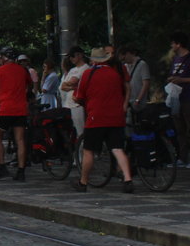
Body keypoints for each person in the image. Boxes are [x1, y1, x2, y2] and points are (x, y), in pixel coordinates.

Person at [72, 47, 135, 193]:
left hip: (96, 117)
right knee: (118, 149)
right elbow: (124, 90)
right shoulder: (115, 74)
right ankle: (127, 179)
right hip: (116, 117)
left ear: (93, 60)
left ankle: (83, 182)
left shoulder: (88, 73)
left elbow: (78, 96)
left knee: (89, 151)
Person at [0, 47, 33, 181]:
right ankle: (21, 170)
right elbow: (30, 85)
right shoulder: (22, 70)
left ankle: (2, 167)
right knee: (20, 139)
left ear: (4, 58)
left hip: (5, 109)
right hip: (20, 109)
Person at [167, 32, 190, 166]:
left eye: (173, 43)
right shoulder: (175, 59)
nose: (171, 46)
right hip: (176, 98)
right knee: (179, 128)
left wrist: (182, 80)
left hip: (188, 97)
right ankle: (182, 157)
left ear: (178, 44)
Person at [61, 46, 90, 137]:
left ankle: (82, 149)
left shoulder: (85, 68)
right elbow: (63, 86)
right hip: (67, 104)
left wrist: (71, 85)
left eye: (72, 56)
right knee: (71, 131)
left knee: (80, 131)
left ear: (80, 55)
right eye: (70, 57)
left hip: (77, 104)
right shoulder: (72, 70)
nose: (71, 59)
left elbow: (73, 81)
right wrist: (73, 87)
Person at [120, 45, 150, 115]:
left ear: (128, 54)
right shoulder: (126, 66)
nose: (124, 61)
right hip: (129, 101)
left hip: (138, 101)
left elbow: (146, 84)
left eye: (124, 58)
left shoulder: (142, 64)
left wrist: (138, 99)